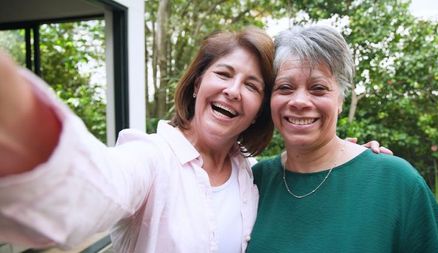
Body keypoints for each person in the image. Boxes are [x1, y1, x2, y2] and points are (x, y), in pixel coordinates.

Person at [0, 27, 387, 253]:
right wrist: (18, 120)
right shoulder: (150, 158)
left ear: (259, 108)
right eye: (223, 74)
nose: (233, 91)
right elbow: (94, 190)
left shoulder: (252, 176)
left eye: (251, 85)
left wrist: (359, 162)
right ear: (198, 82)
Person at [247, 25, 438, 252]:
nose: (299, 101)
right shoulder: (254, 181)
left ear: (340, 99)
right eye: (285, 87)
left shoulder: (395, 182)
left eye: (318, 88)